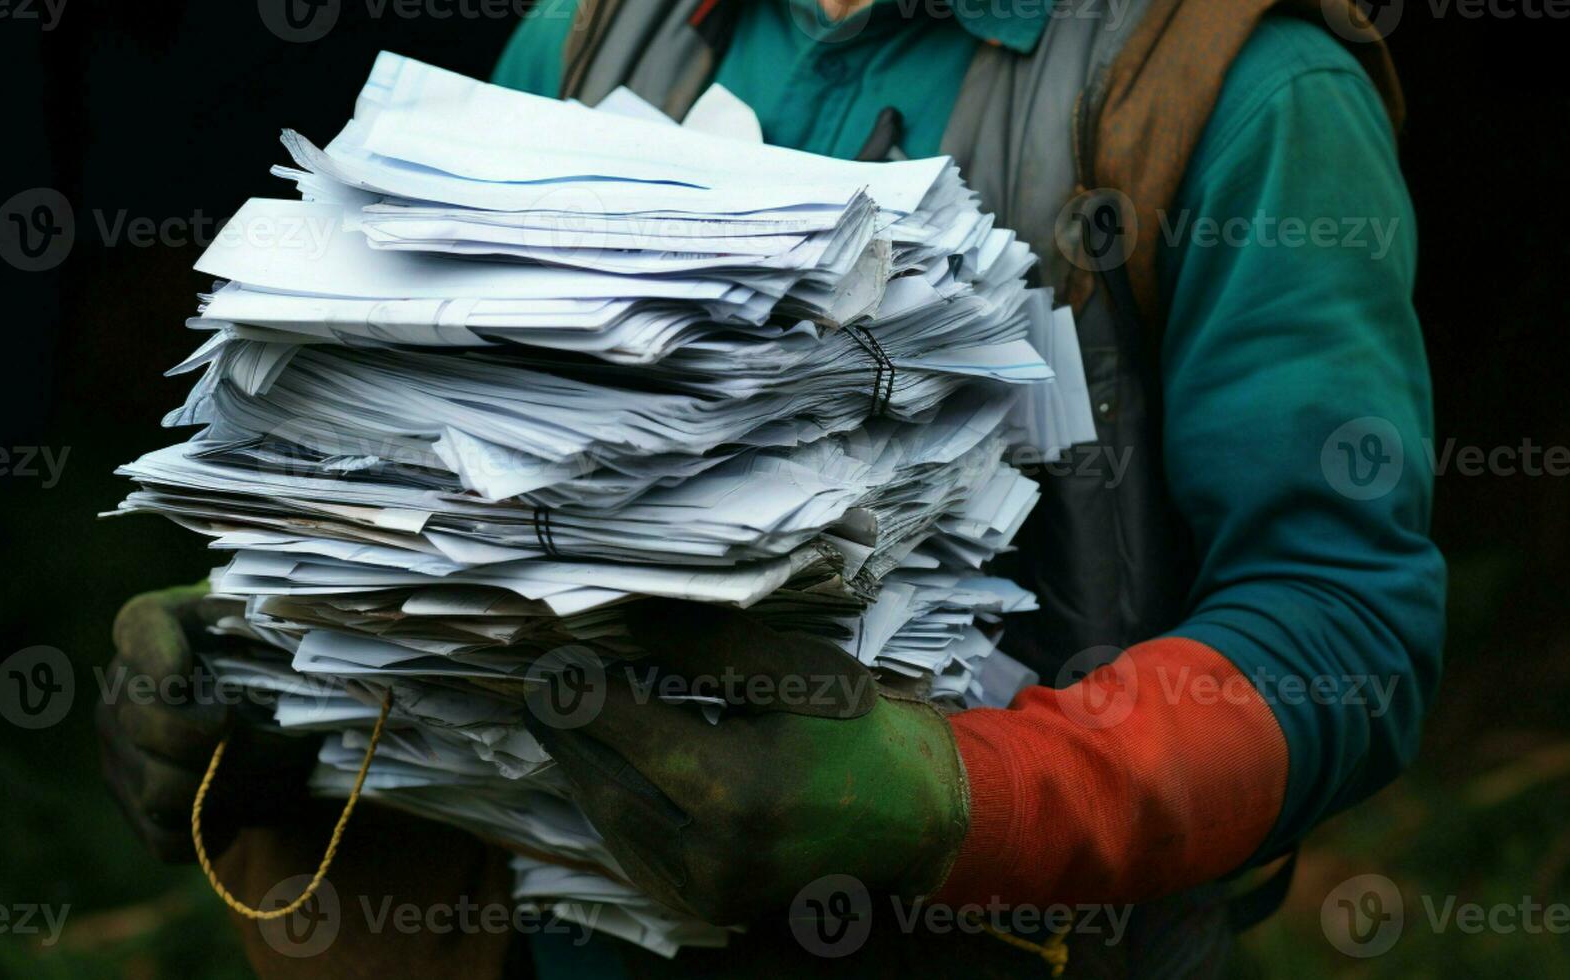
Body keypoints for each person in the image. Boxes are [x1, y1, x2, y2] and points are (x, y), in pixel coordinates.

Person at [99, 0, 1445, 975]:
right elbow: (457, 496)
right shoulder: (584, 40)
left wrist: (955, 799)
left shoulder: (1232, 88)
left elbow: (1344, 632)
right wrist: (295, 655)